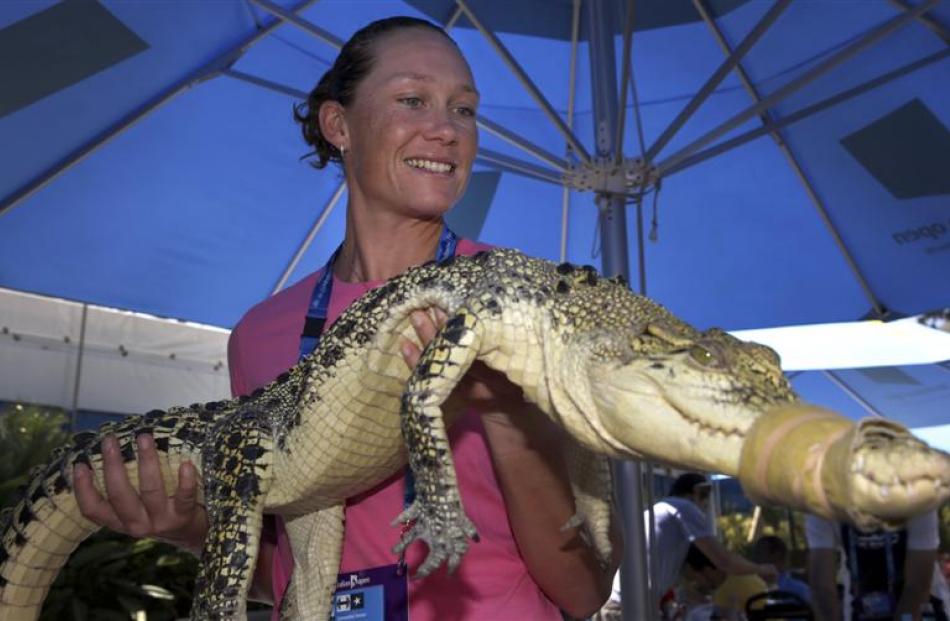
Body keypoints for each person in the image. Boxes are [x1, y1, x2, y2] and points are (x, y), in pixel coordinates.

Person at [71, 16, 621, 620]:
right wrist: (190, 527)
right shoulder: (261, 336)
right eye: (413, 100)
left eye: (463, 110)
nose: (446, 130)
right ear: (339, 125)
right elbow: (284, 575)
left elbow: (583, 589)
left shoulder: (521, 303)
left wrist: (508, 415)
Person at [603, 473, 778, 616]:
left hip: (620, 603)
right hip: (629, 607)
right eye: (705, 499)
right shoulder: (684, 508)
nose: (705, 508)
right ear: (697, 492)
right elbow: (724, 561)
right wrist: (762, 569)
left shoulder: (662, 514)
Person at [806, 509, 941, 621]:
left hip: (923, 607)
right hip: (857, 608)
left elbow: (917, 586)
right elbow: (821, 588)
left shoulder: (919, 495)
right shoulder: (823, 499)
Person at [682, 544, 769, 620]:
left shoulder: (725, 592)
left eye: (695, 578)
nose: (697, 583)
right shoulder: (738, 573)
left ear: (707, 570)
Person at [751, 534, 812, 605]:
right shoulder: (803, 589)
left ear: (777, 556)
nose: (754, 558)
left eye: (759, 553)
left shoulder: (799, 590)